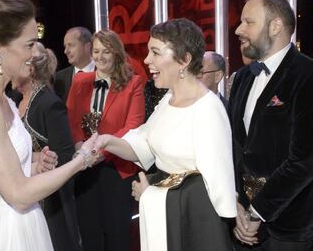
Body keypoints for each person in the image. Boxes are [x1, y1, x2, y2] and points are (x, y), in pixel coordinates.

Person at [0, 0, 99, 250]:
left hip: (26, 223)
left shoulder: (2, 98)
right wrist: (81, 160)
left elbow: (4, 170)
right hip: (3, 233)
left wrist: (35, 164)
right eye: (28, 44)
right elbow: (17, 195)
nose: (35, 53)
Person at [94, 18, 237, 251]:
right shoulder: (167, 100)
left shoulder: (207, 109)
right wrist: (106, 141)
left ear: (184, 60)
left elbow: (212, 194)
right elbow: (142, 143)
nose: (147, 60)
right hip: (167, 219)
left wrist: (150, 195)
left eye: (155, 52)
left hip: (193, 230)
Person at [229, 0, 313, 250]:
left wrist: (258, 211)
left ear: (275, 26)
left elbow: (304, 160)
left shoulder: (307, 75)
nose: (238, 30)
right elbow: (235, 146)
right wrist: (237, 205)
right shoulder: (242, 78)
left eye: (248, 22)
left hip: (289, 225)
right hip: (242, 221)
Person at [66, 29, 145, 251]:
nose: (100, 57)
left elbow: (132, 127)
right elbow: (71, 120)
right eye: (96, 51)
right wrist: (80, 148)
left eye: (106, 51)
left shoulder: (134, 83)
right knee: (90, 235)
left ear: (117, 53)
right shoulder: (80, 81)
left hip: (116, 169)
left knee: (118, 236)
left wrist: (100, 153)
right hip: (84, 170)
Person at [11, 42, 81, 251]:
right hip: (21, 192)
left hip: (49, 201)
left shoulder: (49, 104)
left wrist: (32, 158)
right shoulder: (15, 100)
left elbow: (65, 156)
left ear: (30, 69)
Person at [54, 26, 95, 103]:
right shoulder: (59, 79)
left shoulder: (104, 73)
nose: (66, 51)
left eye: (71, 45)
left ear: (87, 47)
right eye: (65, 46)